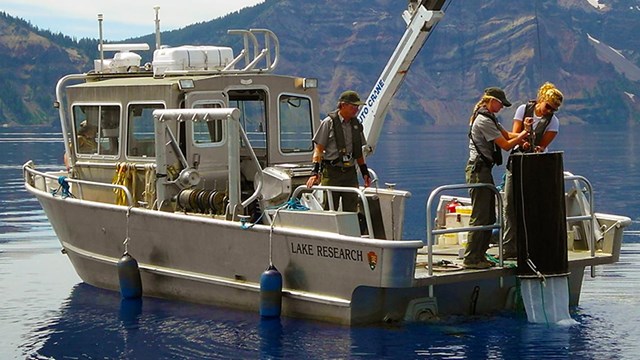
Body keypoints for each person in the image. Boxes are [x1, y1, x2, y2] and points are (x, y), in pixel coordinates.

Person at [464, 87, 530, 269]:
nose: (502, 108)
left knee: (490, 215)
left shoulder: (491, 118)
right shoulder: (483, 120)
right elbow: (506, 144)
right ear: (491, 101)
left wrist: (524, 135)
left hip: (485, 170)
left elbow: (508, 135)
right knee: (480, 215)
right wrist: (524, 133)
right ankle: (471, 258)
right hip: (478, 171)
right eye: (500, 104)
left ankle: (480, 255)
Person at [502, 82, 564, 258]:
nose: (549, 111)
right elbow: (514, 134)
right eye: (548, 107)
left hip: (536, 166)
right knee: (509, 204)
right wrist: (524, 138)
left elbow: (543, 145)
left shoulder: (553, 122)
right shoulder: (523, 110)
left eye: (554, 110)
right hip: (516, 161)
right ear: (542, 100)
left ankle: (533, 244)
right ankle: (510, 247)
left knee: (533, 205)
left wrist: (536, 146)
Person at [305, 90, 372, 212]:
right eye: (353, 106)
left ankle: (350, 230)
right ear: (343, 105)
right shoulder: (328, 123)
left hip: (350, 174)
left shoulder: (356, 125)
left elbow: (358, 152)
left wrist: (365, 173)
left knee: (351, 208)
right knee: (330, 208)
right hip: (332, 173)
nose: (356, 110)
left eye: (357, 107)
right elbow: (319, 149)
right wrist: (314, 173)